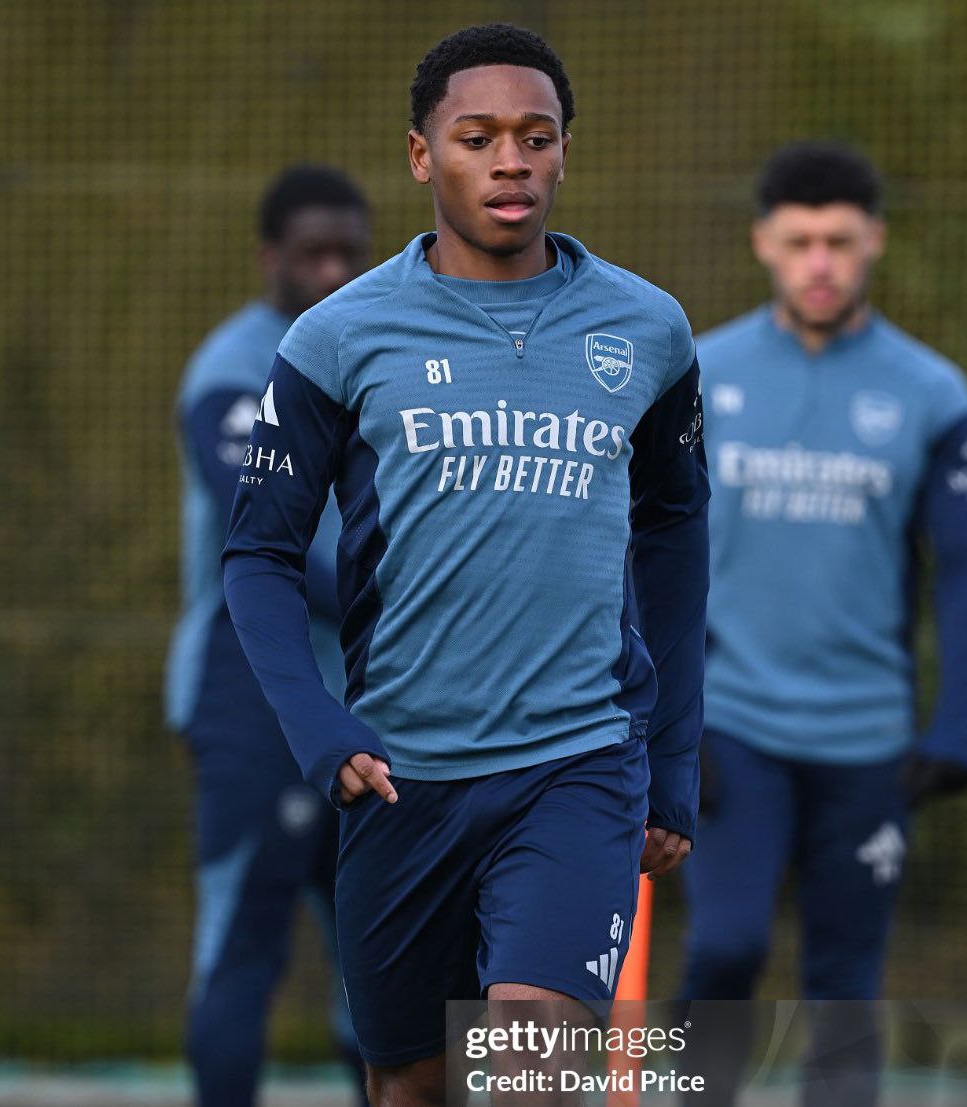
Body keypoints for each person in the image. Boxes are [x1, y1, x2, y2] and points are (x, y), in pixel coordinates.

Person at [221, 23, 709, 1107]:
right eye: (477, 137)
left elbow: (677, 534)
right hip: (402, 777)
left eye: (536, 137)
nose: (510, 161)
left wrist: (672, 754)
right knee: (412, 1087)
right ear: (420, 154)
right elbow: (257, 554)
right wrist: (320, 726)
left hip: (578, 763)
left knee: (536, 1067)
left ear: (566, 150)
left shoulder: (649, 330)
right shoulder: (337, 339)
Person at [680, 142, 967, 1105]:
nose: (820, 263)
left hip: (867, 739)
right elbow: (638, 555)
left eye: (840, 242)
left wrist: (955, 725)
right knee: (726, 944)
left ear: (875, 242)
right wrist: (660, 718)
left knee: (843, 985)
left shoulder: (933, 394)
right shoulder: (701, 373)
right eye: (800, 241)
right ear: (763, 243)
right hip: (732, 727)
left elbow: (966, 572)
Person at [165, 164, 371, 1106]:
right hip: (251, 697)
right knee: (244, 945)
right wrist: (409, 603)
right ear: (269, 258)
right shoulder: (233, 374)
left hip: (372, 698)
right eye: (312, 254)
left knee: (384, 962)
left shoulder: (385, 361)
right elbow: (267, 543)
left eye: (349, 254)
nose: (333, 273)